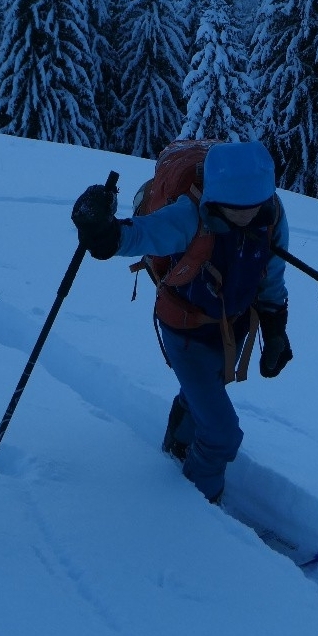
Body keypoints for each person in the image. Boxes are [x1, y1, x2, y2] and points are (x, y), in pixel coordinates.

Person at [71, 141, 292, 504]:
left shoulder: (271, 214)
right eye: (237, 209)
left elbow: (272, 275)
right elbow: (140, 235)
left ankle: (178, 442)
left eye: (255, 207)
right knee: (222, 434)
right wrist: (103, 232)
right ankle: (197, 506)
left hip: (230, 328)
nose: (248, 216)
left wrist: (275, 328)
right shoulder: (190, 215)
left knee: (202, 394)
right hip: (185, 331)